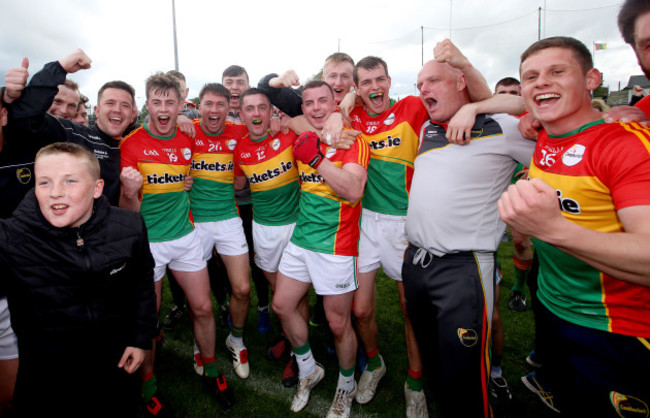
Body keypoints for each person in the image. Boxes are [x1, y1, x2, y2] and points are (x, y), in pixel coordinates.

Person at [337, 40, 492, 416]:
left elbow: (482, 96)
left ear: (390, 81)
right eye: (366, 82)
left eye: (380, 79)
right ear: (357, 88)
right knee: (360, 311)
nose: (375, 87)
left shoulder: (411, 107)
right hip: (365, 223)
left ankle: (415, 381)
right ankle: (374, 363)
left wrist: (471, 104)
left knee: (412, 311)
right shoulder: (353, 115)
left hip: (407, 225)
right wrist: (341, 108)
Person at [499, 36, 650, 417]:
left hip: (616, 327)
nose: (541, 83)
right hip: (553, 307)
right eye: (531, 77)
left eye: (557, 71)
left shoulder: (626, 144)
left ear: (591, 79)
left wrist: (550, 228)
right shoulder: (545, 132)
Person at [402, 57, 535, 418]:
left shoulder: (501, 126)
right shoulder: (429, 126)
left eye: (432, 80)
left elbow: (529, 105)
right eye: (419, 84)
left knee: (465, 376)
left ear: (462, 81)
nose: (423, 90)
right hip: (416, 262)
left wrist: (476, 107)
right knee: (435, 362)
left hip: (463, 268)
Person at [0, 142, 157, 418]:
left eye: (70, 181)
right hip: (47, 384)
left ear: (97, 188)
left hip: (116, 372)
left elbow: (142, 286)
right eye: (44, 182)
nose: (56, 192)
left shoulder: (130, 227)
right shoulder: (13, 239)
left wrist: (140, 337)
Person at [120, 72, 235, 415]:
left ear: (180, 104)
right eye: (157, 102)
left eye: (171, 102)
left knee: (202, 307)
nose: (164, 108)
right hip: (149, 243)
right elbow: (128, 212)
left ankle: (212, 371)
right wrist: (129, 191)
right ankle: (148, 386)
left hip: (185, 237)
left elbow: (214, 136)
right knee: (149, 319)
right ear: (147, 104)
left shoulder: (189, 135)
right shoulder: (132, 143)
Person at [272, 80, 369, 418]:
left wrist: (315, 158)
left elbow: (353, 190)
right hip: (302, 239)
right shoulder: (305, 132)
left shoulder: (354, 140)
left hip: (337, 245)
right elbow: (282, 111)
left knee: (338, 323)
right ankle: (309, 368)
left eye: (323, 101)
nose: (315, 108)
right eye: (309, 102)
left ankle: (346, 385)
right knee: (283, 304)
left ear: (335, 103)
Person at [3, 49, 139, 207]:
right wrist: (59, 68)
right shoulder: (76, 135)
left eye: (125, 106)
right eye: (110, 103)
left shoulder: (136, 145)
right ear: (96, 110)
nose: (117, 110)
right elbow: (26, 120)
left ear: (132, 114)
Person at [188, 82, 251, 380]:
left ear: (230, 108)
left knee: (242, 288)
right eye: (208, 104)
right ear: (199, 106)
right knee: (197, 296)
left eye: (220, 105)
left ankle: (235, 340)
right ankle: (200, 342)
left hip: (228, 218)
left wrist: (279, 119)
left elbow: (275, 127)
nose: (214, 110)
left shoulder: (239, 132)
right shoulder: (186, 130)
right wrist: (178, 118)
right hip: (192, 222)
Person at [222, 65, 271, 335]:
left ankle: (263, 307)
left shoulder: (259, 116)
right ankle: (231, 305)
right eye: (228, 82)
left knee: (258, 260)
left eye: (239, 82)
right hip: (227, 206)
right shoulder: (211, 117)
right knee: (229, 260)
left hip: (257, 203)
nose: (234, 87)